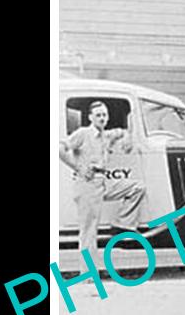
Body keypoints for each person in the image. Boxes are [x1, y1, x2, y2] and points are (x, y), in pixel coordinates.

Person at [59, 101, 147, 271]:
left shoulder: (106, 135)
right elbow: (59, 148)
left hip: (104, 182)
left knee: (137, 187)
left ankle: (123, 225)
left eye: (104, 115)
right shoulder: (83, 134)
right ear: (91, 117)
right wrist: (79, 167)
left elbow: (123, 131)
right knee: (89, 231)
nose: (102, 118)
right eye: (98, 115)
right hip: (87, 184)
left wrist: (127, 136)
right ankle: (88, 273)